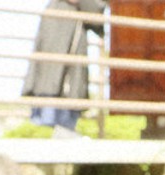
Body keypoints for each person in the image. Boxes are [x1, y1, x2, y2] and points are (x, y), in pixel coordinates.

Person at [23, 0, 107, 136]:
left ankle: (62, 125)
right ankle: (59, 124)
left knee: (64, 75)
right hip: (62, 25)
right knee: (58, 74)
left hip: (67, 25)